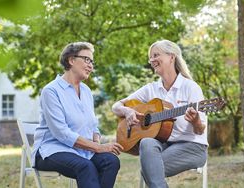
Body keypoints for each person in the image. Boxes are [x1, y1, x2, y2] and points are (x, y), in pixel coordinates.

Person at [112, 39, 208, 188]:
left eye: (156, 55)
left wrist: (195, 121)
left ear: (171, 57)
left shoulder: (190, 87)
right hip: (165, 146)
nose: (152, 60)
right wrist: (128, 111)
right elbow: (116, 106)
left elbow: (200, 130)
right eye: (150, 57)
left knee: (149, 169)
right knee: (147, 142)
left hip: (192, 147)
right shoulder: (151, 89)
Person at [31, 42, 123, 188]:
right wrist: (97, 148)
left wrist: (97, 141)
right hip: (51, 150)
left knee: (111, 161)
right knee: (85, 167)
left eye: (92, 62)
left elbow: (93, 127)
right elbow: (61, 133)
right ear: (71, 60)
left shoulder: (86, 91)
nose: (91, 66)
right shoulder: (51, 91)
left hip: (82, 151)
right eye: (87, 60)